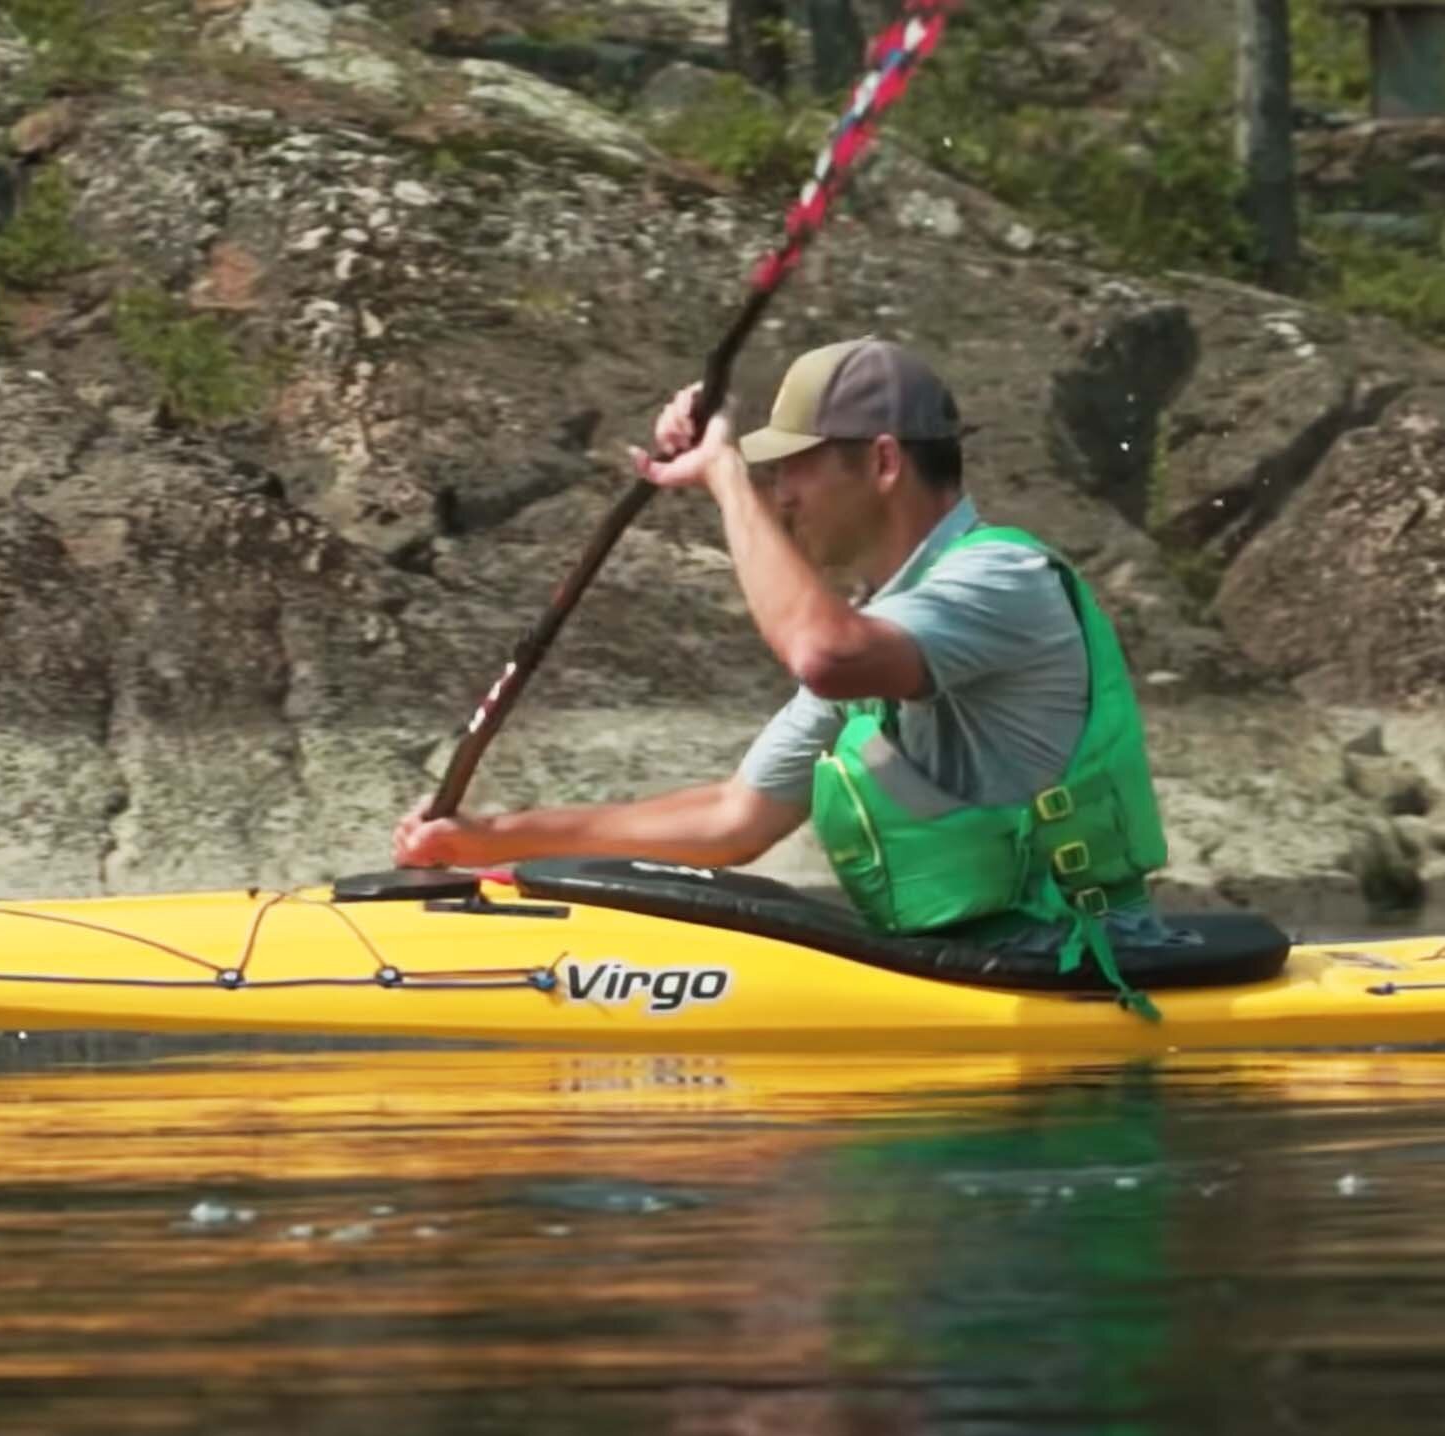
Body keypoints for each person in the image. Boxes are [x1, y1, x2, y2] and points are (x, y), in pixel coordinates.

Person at [393, 337, 1182, 1001]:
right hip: (970, 971)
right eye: (769, 473)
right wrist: (487, 839)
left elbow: (821, 653)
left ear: (882, 461)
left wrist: (724, 474)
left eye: (795, 466)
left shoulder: (1000, 577)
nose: (781, 494)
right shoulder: (882, 633)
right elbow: (731, 820)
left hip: (1079, 967)